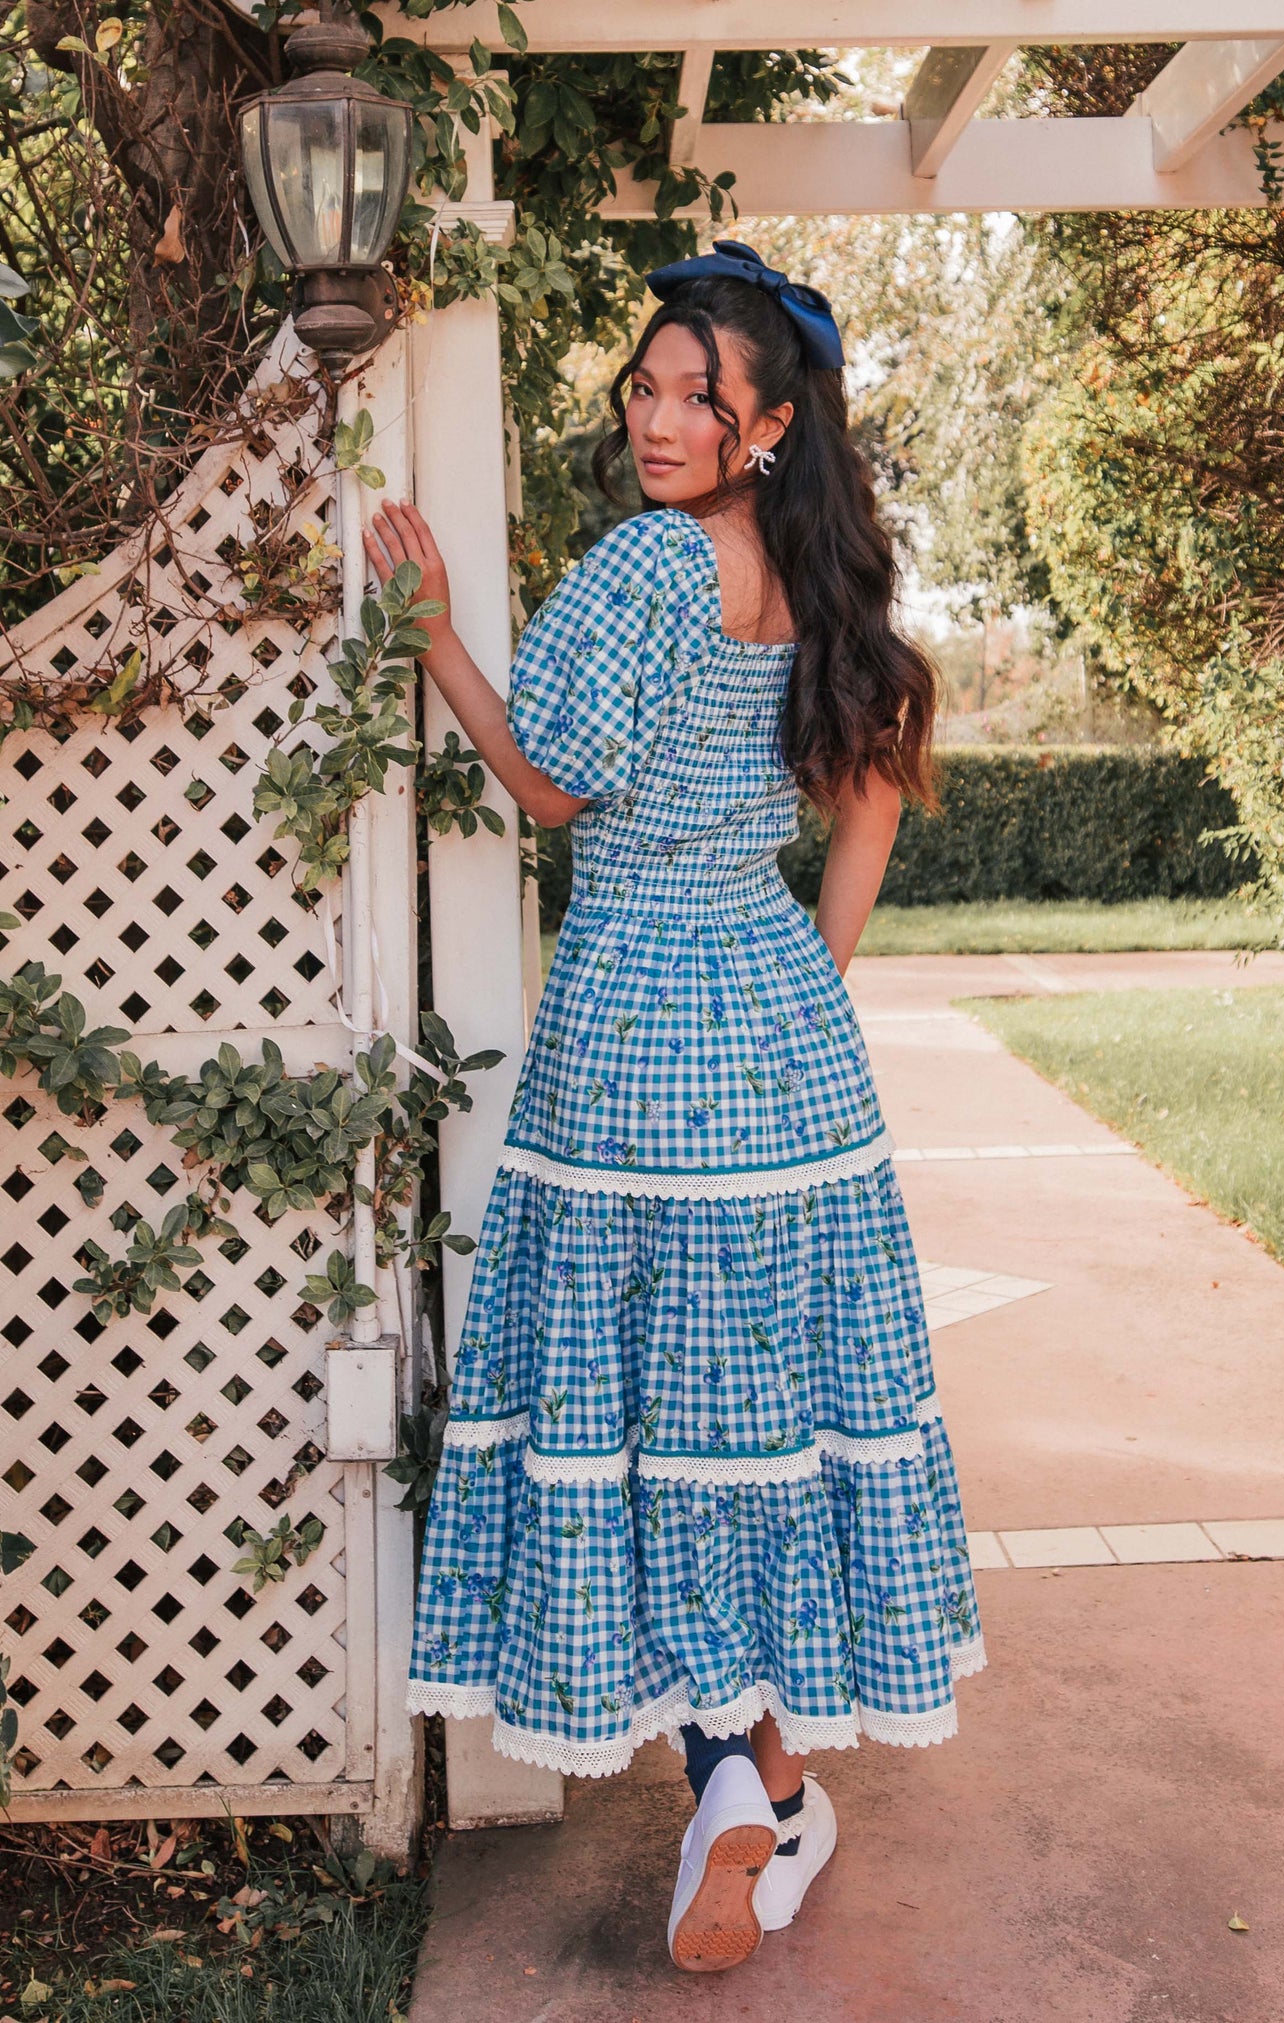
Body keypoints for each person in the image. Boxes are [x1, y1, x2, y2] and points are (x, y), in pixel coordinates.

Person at [366, 240, 986, 1974]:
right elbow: (860, 822)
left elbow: (553, 785)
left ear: (765, 422)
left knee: (640, 1407)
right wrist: (794, 982)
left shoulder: (649, 565)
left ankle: (748, 1789)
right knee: (755, 1409)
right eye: (642, 386)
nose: (654, 416)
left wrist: (433, 640)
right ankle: (762, 1793)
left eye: (692, 394)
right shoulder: (822, 590)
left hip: (635, 1026)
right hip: (780, 1034)